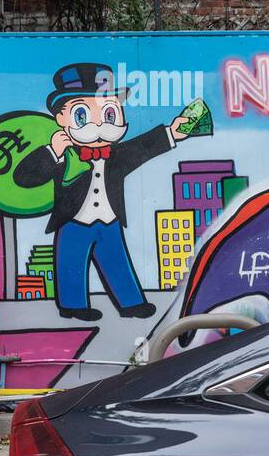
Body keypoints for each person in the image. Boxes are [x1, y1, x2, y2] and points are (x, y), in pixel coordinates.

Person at [14, 63, 190, 321]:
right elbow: (24, 177)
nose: (98, 125)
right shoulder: (63, 156)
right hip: (73, 221)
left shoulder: (117, 156)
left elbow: (143, 147)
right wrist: (52, 151)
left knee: (116, 261)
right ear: (62, 120)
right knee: (69, 262)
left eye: (109, 113)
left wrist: (172, 133)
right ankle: (73, 305)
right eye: (83, 115)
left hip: (109, 219)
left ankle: (131, 303)